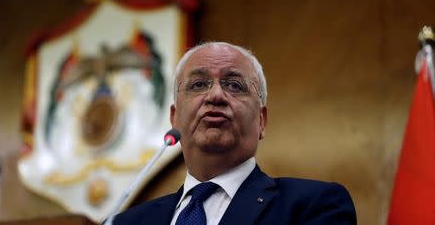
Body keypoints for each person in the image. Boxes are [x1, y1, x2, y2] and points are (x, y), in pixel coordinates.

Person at [112, 42, 357, 225]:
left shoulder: (315, 206)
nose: (215, 96)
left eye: (234, 85)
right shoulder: (129, 222)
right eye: (198, 85)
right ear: (174, 118)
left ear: (261, 121)